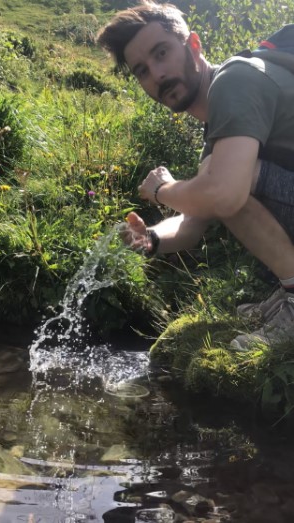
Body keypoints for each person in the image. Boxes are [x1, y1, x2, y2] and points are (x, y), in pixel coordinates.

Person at [97, 0, 294, 351]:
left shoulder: (235, 80)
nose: (156, 75)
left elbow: (224, 196)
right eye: (141, 70)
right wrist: (150, 238)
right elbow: (193, 221)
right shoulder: (220, 129)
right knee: (216, 177)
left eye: (162, 53)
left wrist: (162, 189)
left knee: (222, 180)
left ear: (194, 45)